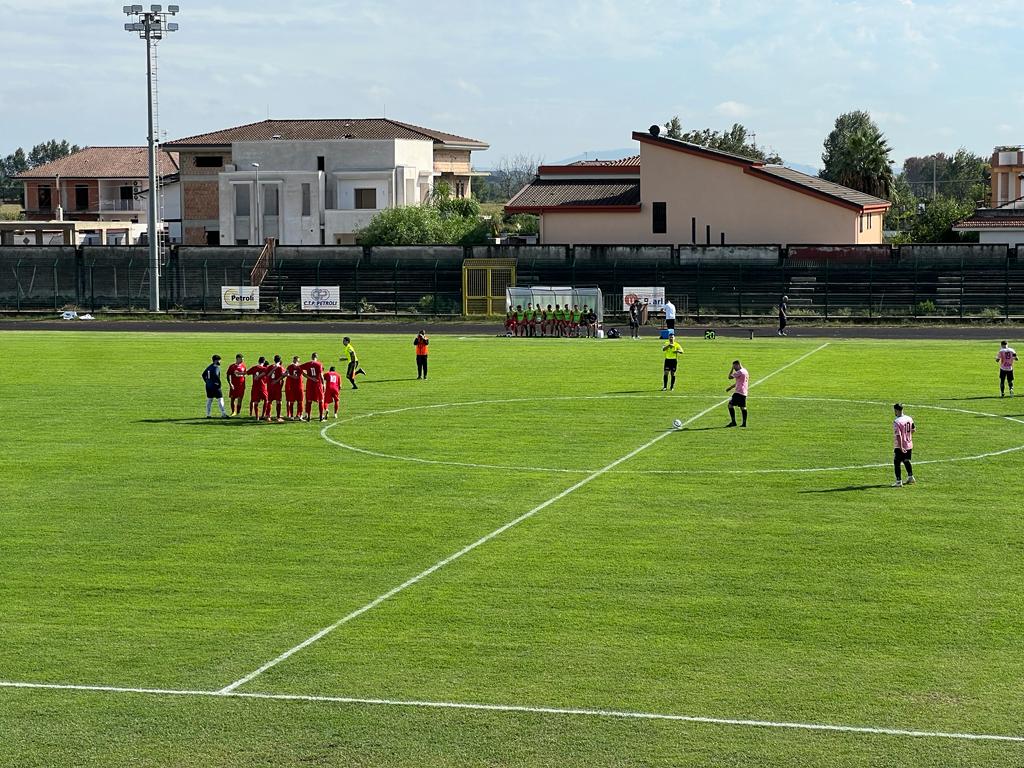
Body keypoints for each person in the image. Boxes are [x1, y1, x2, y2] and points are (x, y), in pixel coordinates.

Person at [892, 403, 916, 487]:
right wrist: (907, 436)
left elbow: (898, 436)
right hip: (909, 443)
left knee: (896, 462)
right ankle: (910, 477)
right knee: (906, 460)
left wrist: (901, 446)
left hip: (901, 446)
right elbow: (913, 429)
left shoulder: (897, 421)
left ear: (896, 410)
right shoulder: (909, 418)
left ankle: (898, 482)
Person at [301, 353, 326, 421]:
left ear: (311, 357)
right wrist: (323, 384)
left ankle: (308, 417)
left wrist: (309, 377)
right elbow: (321, 376)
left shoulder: (308, 364)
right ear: (317, 357)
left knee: (309, 400)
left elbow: (300, 369)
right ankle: (321, 417)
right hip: (318, 384)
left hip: (309, 384)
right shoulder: (319, 364)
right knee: (321, 400)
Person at [725, 360, 749, 428]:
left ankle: (733, 422)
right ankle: (744, 423)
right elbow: (739, 382)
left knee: (730, 404)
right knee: (743, 407)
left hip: (738, 392)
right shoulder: (745, 371)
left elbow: (729, 377)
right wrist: (730, 387)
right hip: (744, 392)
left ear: (738, 365)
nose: (734, 368)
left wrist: (731, 369)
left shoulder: (740, 372)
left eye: (734, 366)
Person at [265, 355, 286, 422]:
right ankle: (278, 417)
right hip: (277, 387)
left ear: (274, 360)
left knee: (269, 401)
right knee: (279, 402)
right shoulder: (280, 368)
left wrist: (273, 369)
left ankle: (268, 416)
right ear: (280, 361)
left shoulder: (270, 367)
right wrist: (277, 380)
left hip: (270, 386)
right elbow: (283, 375)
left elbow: (267, 375)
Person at [285, 355, 305, 420]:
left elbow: (287, 374)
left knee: (293, 402)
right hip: (298, 387)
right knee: (298, 402)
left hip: (294, 387)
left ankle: (294, 415)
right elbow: (297, 376)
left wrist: (288, 375)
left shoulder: (290, 367)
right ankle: (298, 415)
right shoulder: (299, 367)